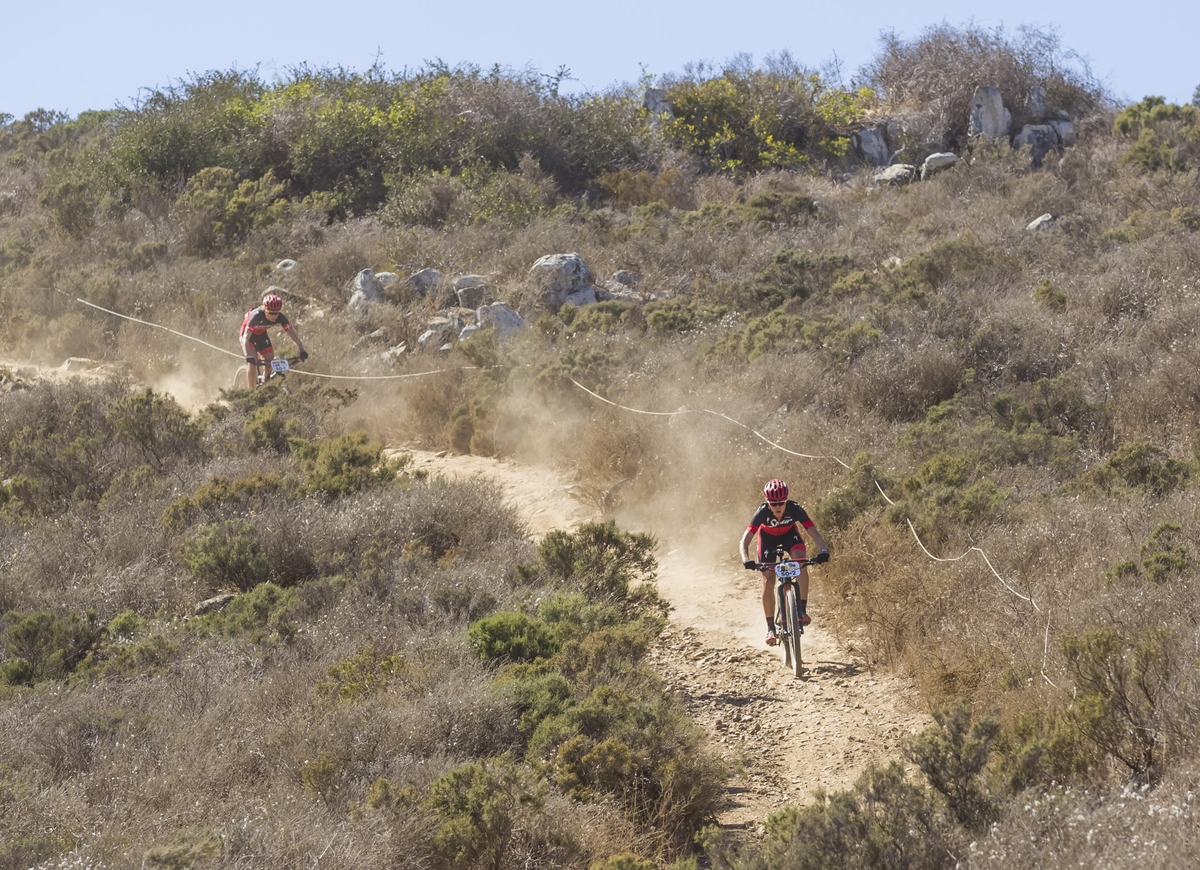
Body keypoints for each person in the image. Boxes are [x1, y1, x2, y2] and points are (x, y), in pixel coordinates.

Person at [738, 478, 829, 646]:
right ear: (767, 502)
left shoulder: (795, 509)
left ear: (786, 500)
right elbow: (744, 541)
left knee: (801, 564)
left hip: (789, 535)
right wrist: (746, 560)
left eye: (781, 502)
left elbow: (813, 532)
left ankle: (801, 611)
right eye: (773, 503)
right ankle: (771, 628)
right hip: (767, 540)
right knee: (769, 579)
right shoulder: (762, 512)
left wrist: (823, 551)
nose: (778, 507)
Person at [239, 292, 308, 390]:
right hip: (248, 336)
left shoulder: (280, 317)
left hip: (261, 335)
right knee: (253, 361)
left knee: (269, 361)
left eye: (277, 312)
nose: (274, 316)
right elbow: (246, 336)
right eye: (271, 313)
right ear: (265, 310)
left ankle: (265, 384)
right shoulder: (257, 315)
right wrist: (247, 355)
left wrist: (301, 349)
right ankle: (251, 393)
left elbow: (292, 334)